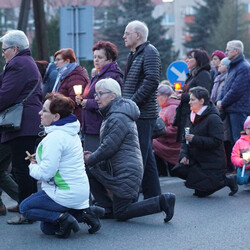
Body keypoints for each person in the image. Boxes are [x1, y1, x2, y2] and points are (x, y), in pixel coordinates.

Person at [84, 78, 175, 222]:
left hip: (126, 172)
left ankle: (163, 201)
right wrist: (92, 158)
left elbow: (109, 147)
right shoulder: (113, 113)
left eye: (100, 94)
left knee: (121, 212)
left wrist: (91, 158)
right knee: (90, 168)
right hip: (121, 169)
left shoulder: (118, 116)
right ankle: (107, 207)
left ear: (113, 95)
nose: (96, 98)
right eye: (95, 95)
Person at [19, 93, 104, 238]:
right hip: (79, 191)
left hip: (65, 192)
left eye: (44, 111)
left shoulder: (55, 138)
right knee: (47, 228)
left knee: (25, 208)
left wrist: (32, 167)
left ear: (56, 117)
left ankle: (66, 217)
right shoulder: (70, 132)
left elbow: (46, 173)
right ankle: (84, 213)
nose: (40, 113)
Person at [0, 30, 42, 224]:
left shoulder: (17, 64)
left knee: (22, 169)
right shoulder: (25, 63)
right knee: (25, 168)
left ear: (15, 48)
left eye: (4, 50)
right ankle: (29, 207)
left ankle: (27, 211)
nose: (3, 54)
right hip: (26, 123)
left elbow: (5, 96)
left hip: (21, 124)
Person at [172, 87, 238, 197]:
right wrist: (184, 155)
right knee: (179, 169)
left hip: (211, 162)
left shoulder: (213, 118)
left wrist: (195, 139)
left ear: (202, 101)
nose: (189, 102)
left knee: (201, 193)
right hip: (196, 159)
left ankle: (227, 180)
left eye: (193, 100)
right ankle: (200, 181)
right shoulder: (191, 116)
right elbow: (185, 139)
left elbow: (217, 141)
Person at [122, 20, 161, 199]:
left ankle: (130, 198)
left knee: (139, 158)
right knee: (146, 157)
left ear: (138, 35)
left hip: (143, 114)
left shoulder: (150, 52)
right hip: (137, 112)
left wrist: (133, 103)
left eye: (127, 33)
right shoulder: (135, 54)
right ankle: (154, 197)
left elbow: (152, 81)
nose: (124, 36)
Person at [76, 41, 123, 152]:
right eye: (95, 57)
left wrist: (87, 103)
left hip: (100, 127)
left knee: (96, 163)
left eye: (100, 57)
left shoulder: (111, 77)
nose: (96, 60)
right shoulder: (98, 75)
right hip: (92, 126)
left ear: (110, 59)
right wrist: (81, 99)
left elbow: (110, 102)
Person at [174, 48, 213, 143]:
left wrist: (182, 97)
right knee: (185, 144)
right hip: (187, 113)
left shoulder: (203, 74)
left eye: (190, 58)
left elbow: (202, 95)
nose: (186, 60)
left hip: (195, 116)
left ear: (198, 60)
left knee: (189, 143)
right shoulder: (193, 74)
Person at [217, 40, 250, 143]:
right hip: (231, 109)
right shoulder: (233, 66)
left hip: (239, 110)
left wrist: (223, 103)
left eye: (228, 50)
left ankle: (245, 160)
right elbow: (225, 86)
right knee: (234, 142)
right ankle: (237, 160)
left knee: (241, 141)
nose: (225, 53)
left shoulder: (244, 67)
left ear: (236, 51)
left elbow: (236, 90)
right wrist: (219, 99)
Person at [53, 48, 90, 125]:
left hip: (73, 119)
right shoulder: (64, 75)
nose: (55, 63)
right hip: (68, 118)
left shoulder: (75, 76)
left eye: (58, 60)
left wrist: (57, 103)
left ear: (67, 61)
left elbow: (74, 101)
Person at [153, 85, 181, 176]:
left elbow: (175, 129)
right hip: (164, 141)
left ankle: (161, 172)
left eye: (157, 96)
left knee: (152, 145)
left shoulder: (172, 108)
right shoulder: (165, 107)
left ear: (165, 96)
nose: (156, 98)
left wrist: (159, 131)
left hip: (171, 144)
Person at [231, 116, 250, 190]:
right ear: (245, 129)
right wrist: (241, 161)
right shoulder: (239, 142)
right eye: (249, 128)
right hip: (245, 166)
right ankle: (246, 181)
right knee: (241, 180)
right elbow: (234, 157)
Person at [0, 142, 18, 215]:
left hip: (4, 139)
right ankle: (23, 200)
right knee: (1, 173)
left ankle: (24, 201)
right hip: (8, 139)